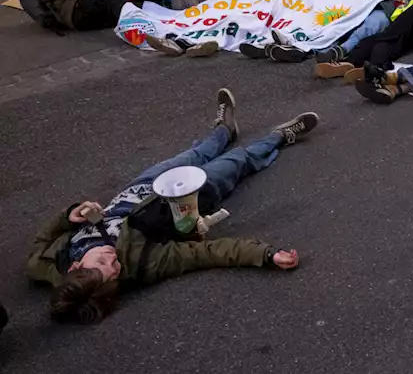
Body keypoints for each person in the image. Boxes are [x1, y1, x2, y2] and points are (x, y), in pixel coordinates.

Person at [27, 90, 315, 324]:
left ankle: (224, 130)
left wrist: (68, 215)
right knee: (238, 161)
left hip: (142, 187)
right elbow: (205, 254)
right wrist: (265, 255)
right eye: (115, 270)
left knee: (195, 153)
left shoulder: (48, 266)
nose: (113, 259)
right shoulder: (145, 265)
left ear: (75, 267)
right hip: (188, 199)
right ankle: (280, 136)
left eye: (102, 262)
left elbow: (43, 240)